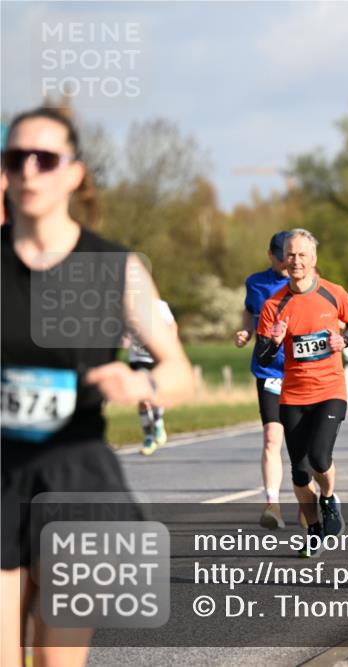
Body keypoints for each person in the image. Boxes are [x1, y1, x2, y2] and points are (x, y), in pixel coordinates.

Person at [1, 107, 194, 667]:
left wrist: (142, 382)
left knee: (55, 658)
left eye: (46, 159)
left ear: (74, 173)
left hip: (74, 473)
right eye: (17, 159)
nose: (30, 171)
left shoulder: (112, 267)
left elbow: (179, 372)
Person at [255, 229, 348, 556]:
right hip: (293, 396)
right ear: (281, 259)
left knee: (320, 457)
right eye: (290, 254)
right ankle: (314, 529)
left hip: (330, 389)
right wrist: (274, 343)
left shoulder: (333, 293)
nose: (296, 261)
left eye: (302, 255)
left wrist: (344, 341)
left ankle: (329, 497)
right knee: (300, 473)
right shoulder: (274, 305)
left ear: (313, 259)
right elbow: (261, 356)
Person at [234, 230, 291, 529]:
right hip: (269, 370)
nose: (286, 263)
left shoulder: (303, 283)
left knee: (304, 445)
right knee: (272, 437)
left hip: (301, 372)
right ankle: (273, 505)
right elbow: (249, 311)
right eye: (281, 257)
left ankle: (320, 498)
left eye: (290, 257)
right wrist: (246, 331)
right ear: (270, 254)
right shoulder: (255, 283)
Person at [126, 299, 178, 455]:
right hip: (137, 358)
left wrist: (170, 346)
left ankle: (158, 422)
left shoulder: (160, 305)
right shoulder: (127, 305)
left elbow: (173, 326)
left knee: (155, 394)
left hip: (155, 356)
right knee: (143, 397)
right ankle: (148, 436)